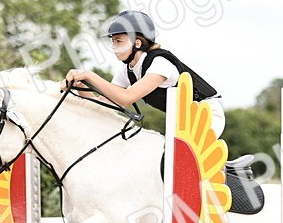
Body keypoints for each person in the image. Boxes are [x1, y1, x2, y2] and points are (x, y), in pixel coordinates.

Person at [60, 10, 225, 135]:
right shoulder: (127, 70)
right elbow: (105, 105)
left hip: (208, 115)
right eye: (113, 41)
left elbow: (125, 98)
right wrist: (80, 87)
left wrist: (89, 75)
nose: (113, 47)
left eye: (118, 41)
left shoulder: (160, 64)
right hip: (183, 119)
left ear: (137, 42)